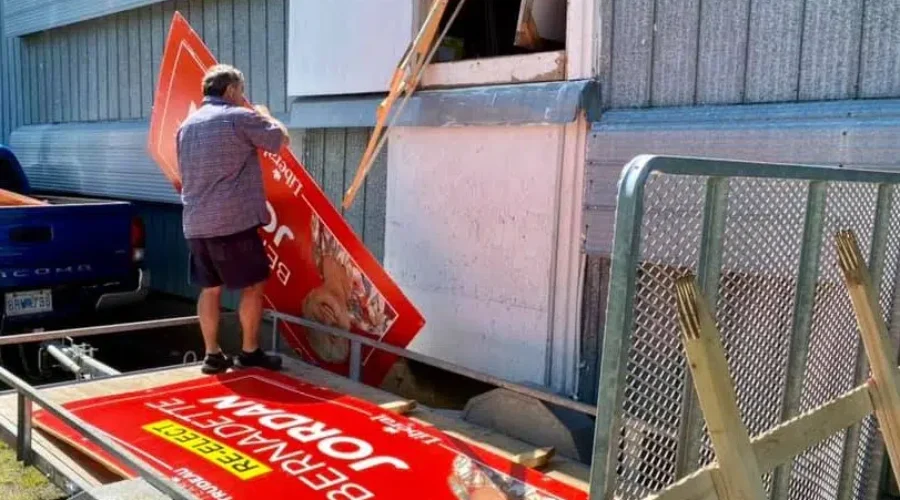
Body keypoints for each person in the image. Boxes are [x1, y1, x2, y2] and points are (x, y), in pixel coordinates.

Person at [176, 64, 289, 375]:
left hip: (196, 222)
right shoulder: (240, 117)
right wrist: (265, 115)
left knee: (210, 288)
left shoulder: (186, 126)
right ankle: (250, 352)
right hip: (233, 222)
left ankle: (212, 356)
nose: (244, 97)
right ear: (230, 91)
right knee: (253, 285)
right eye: (241, 90)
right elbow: (280, 141)